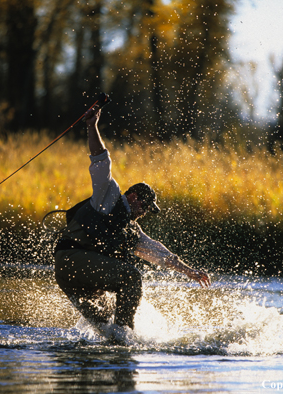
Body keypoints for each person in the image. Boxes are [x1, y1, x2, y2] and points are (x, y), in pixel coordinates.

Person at [54, 105, 210, 336]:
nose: (145, 212)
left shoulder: (131, 230)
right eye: (145, 206)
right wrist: (92, 125)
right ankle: (126, 338)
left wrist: (190, 271)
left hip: (70, 275)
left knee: (106, 325)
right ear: (134, 197)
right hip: (73, 259)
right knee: (131, 277)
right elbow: (100, 162)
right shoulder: (108, 196)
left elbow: (160, 254)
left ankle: (115, 345)